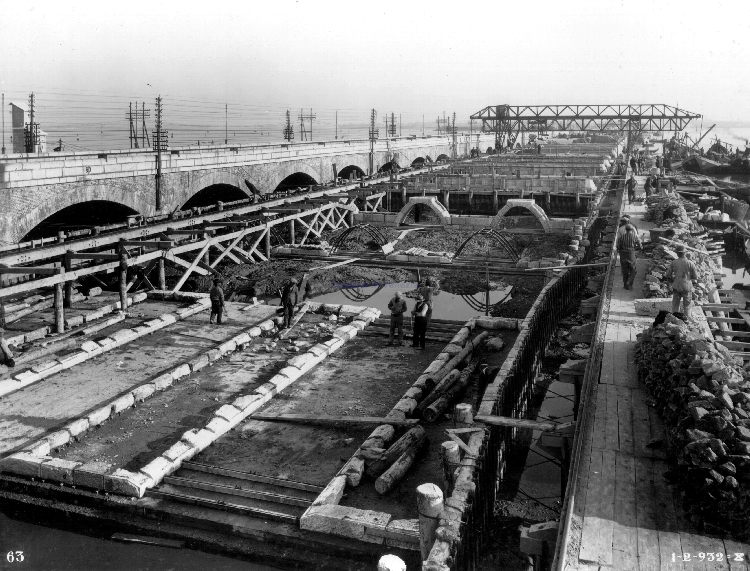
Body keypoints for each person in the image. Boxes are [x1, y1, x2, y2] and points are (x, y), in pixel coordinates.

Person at [665, 244, 698, 316]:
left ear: (677, 253)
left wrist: (672, 281)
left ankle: (675, 320)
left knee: (675, 305)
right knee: (687, 306)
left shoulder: (674, 262)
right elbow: (695, 277)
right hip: (687, 287)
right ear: (685, 253)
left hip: (676, 286)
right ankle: (687, 321)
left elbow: (668, 275)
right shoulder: (690, 263)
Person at [617, 224, 641, 289]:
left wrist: (620, 251)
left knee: (624, 270)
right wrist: (636, 249)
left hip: (623, 254)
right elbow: (640, 246)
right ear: (632, 230)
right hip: (631, 253)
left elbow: (618, 246)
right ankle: (629, 282)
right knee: (634, 269)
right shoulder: (634, 236)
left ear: (626, 230)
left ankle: (625, 285)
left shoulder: (621, 237)